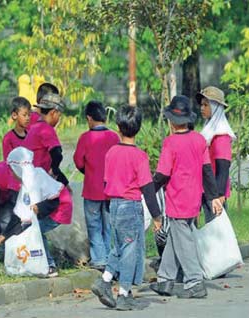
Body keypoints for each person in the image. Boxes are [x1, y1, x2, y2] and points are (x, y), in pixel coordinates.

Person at [150, 95, 223, 299]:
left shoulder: (170, 143)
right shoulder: (199, 139)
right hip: (193, 199)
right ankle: (165, 280)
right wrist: (214, 196)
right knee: (176, 238)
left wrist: (148, 190)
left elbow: (163, 174)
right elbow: (207, 170)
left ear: (172, 121)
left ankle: (194, 281)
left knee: (185, 241)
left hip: (177, 199)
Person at [91, 106, 162, 311]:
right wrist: (157, 215)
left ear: (118, 127)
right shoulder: (139, 156)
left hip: (113, 205)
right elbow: (148, 189)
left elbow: (106, 183)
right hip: (131, 207)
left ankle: (104, 281)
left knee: (119, 247)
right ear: (139, 128)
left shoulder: (111, 152)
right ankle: (123, 294)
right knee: (130, 251)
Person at [3, 147, 73, 278]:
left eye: (12, 170)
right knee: (30, 229)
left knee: (36, 231)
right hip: (50, 207)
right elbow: (19, 214)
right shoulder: (25, 185)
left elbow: (54, 201)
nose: (11, 174)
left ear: (19, 168)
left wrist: (39, 207)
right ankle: (36, 262)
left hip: (60, 207)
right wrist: (5, 234)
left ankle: (49, 265)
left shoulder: (38, 176)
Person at [73, 100, 119, 271]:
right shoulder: (114, 137)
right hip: (110, 190)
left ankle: (99, 259)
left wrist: (88, 171)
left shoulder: (85, 138)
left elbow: (78, 161)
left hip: (92, 189)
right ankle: (108, 257)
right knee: (108, 225)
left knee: (94, 225)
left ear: (89, 118)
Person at [196, 86, 236, 223]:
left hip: (214, 192)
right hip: (206, 188)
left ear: (216, 107)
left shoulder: (221, 135)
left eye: (206, 105)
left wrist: (218, 196)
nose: (202, 108)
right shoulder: (209, 130)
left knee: (216, 230)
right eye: (201, 104)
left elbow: (223, 167)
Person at [23, 93, 69, 186]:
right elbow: (57, 153)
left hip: (29, 176)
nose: (58, 120)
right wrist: (54, 172)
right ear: (53, 113)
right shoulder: (46, 129)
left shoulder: (34, 127)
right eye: (59, 116)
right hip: (40, 179)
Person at [2, 97, 31, 161]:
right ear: (14, 115)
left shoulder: (31, 136)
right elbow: (8, 162)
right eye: (24, 115)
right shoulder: (8, 139)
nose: (27, 118)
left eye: (29, 115)